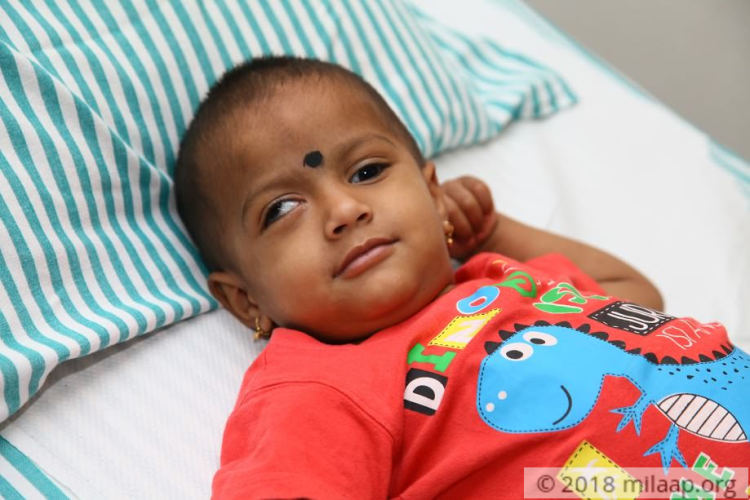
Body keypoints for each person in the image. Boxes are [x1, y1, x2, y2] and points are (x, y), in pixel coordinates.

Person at [175, 56, 750, 499]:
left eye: (368, 171)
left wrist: (492, 232)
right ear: (244, 300)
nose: (344, 210)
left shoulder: (504, 280)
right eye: (281, 210)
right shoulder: (321, 382)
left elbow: (636, 298)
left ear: (433, 193)